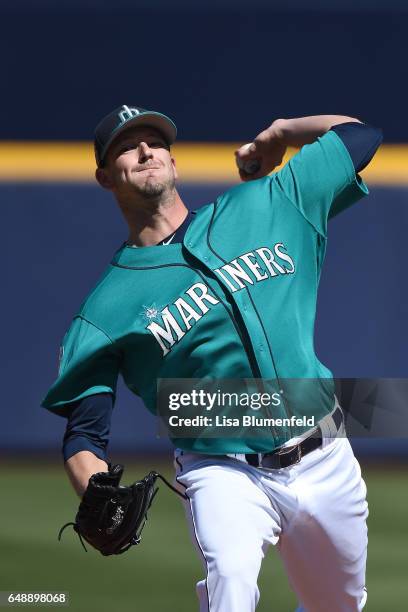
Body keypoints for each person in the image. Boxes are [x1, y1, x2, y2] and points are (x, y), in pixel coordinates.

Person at [42, 104, 382, 611]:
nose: (144, 150)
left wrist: (280, 132)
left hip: (325, 452)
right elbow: (84, 434)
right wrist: (93, 488)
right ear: (104, 177)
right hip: (224, 469)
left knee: (340, 605)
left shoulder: (268, 203)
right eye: (126, 146)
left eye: (155, 142)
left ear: (175, 164)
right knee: (231, 581)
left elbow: (360, 136)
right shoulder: (104, 312)